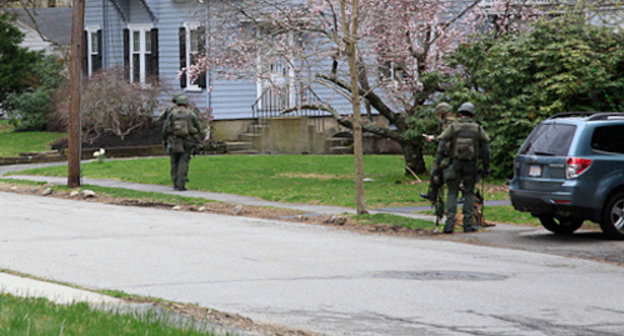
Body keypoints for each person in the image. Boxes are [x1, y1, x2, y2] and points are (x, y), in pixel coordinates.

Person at [435, 102, 490, 234]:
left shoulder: (453, 127)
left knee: (452, 193)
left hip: (454, 163)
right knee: (469, 193)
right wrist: (486, 167)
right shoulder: (477, 129)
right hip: (471, 164)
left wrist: (438, 165)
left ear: (460, 113)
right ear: (472, 115)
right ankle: (468, 224)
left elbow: (441, 146)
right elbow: (486, 150)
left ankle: (449, 225)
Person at [162, 95, 205, 191]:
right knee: (183, 162)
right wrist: (200, 137)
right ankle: (181, 185)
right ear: (186, 104)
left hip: (173, 141)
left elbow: (165, 128)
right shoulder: (191, 114)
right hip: (187, 141)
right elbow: (198, 127)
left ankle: (175, 184)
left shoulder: (172, 114)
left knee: (174, 162)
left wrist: (164, 139)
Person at [420, 102, 455, 201]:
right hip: (451, 152)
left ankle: (433, 194)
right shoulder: (449, 121)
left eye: (439, 113)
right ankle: (433, 194)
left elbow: (445, 138)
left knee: (437, 171)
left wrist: (433, 138)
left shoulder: (448, 123)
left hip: (449, 153)